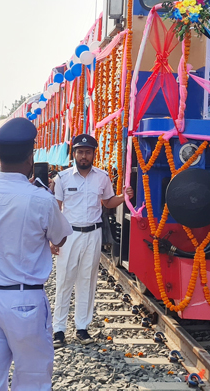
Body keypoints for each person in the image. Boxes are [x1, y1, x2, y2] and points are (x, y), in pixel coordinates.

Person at [0, 117, 71, 391]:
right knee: (33, 380)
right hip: (23, 301)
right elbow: (59, 237)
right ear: (31, 158)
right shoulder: (40, 198)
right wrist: (43, 192)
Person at [51, 134, 134, 348]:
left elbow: (107, 202)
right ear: (74, 154)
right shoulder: (63, 178)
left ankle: (82, 328)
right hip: (69, 236)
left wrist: (124, 197)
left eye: (87, 152)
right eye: (80, 152)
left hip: (93, 234)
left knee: (87, 281)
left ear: (93, 154)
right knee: (64, 281)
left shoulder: (102, 177)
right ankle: (58, 330)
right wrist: (53, 239)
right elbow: (55, 209)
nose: (83, 156)